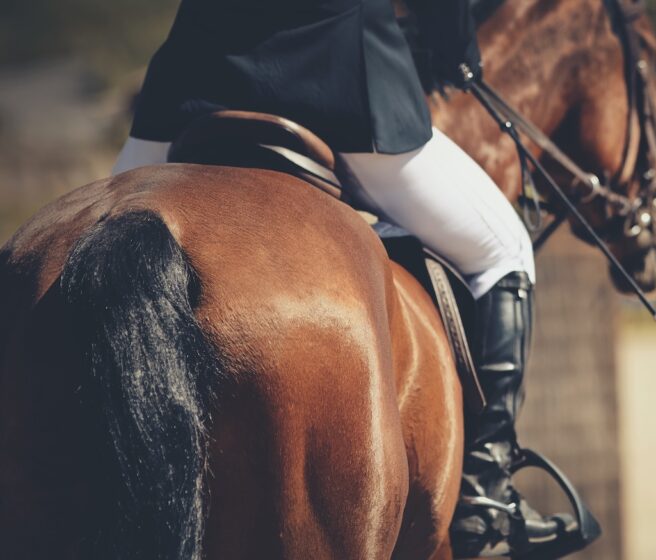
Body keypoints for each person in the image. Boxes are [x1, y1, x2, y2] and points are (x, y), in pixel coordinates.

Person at [111, 0, 576, 557]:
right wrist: (453, 50)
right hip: (347, 85)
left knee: (84, 248)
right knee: (503, 248)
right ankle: (486, 498)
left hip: (193, 80)